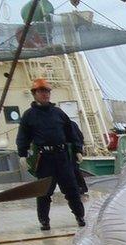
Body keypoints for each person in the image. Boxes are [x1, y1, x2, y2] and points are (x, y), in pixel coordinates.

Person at [16, 78, 86, 231]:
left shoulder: (58, 113)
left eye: (47, 91)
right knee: (44, 192)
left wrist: (77, 149)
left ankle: (80, 216)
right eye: (41, 91)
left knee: (72, 189)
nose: (45, 94)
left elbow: (71, 132)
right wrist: (22, 154)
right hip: (44, 159)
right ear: (34, 94)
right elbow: (23, 136)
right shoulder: (29, 115)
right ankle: (44, 221)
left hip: (62, 158)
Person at [69, 119, 89, 194]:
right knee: (74, 170)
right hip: (71, 150)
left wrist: (78, 150)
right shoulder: (71, 123)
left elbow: (78, 137)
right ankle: (80, 187)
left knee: (74, 170)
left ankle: (80, 187)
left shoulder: (69, 124)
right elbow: (80, 137)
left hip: (70, 150)